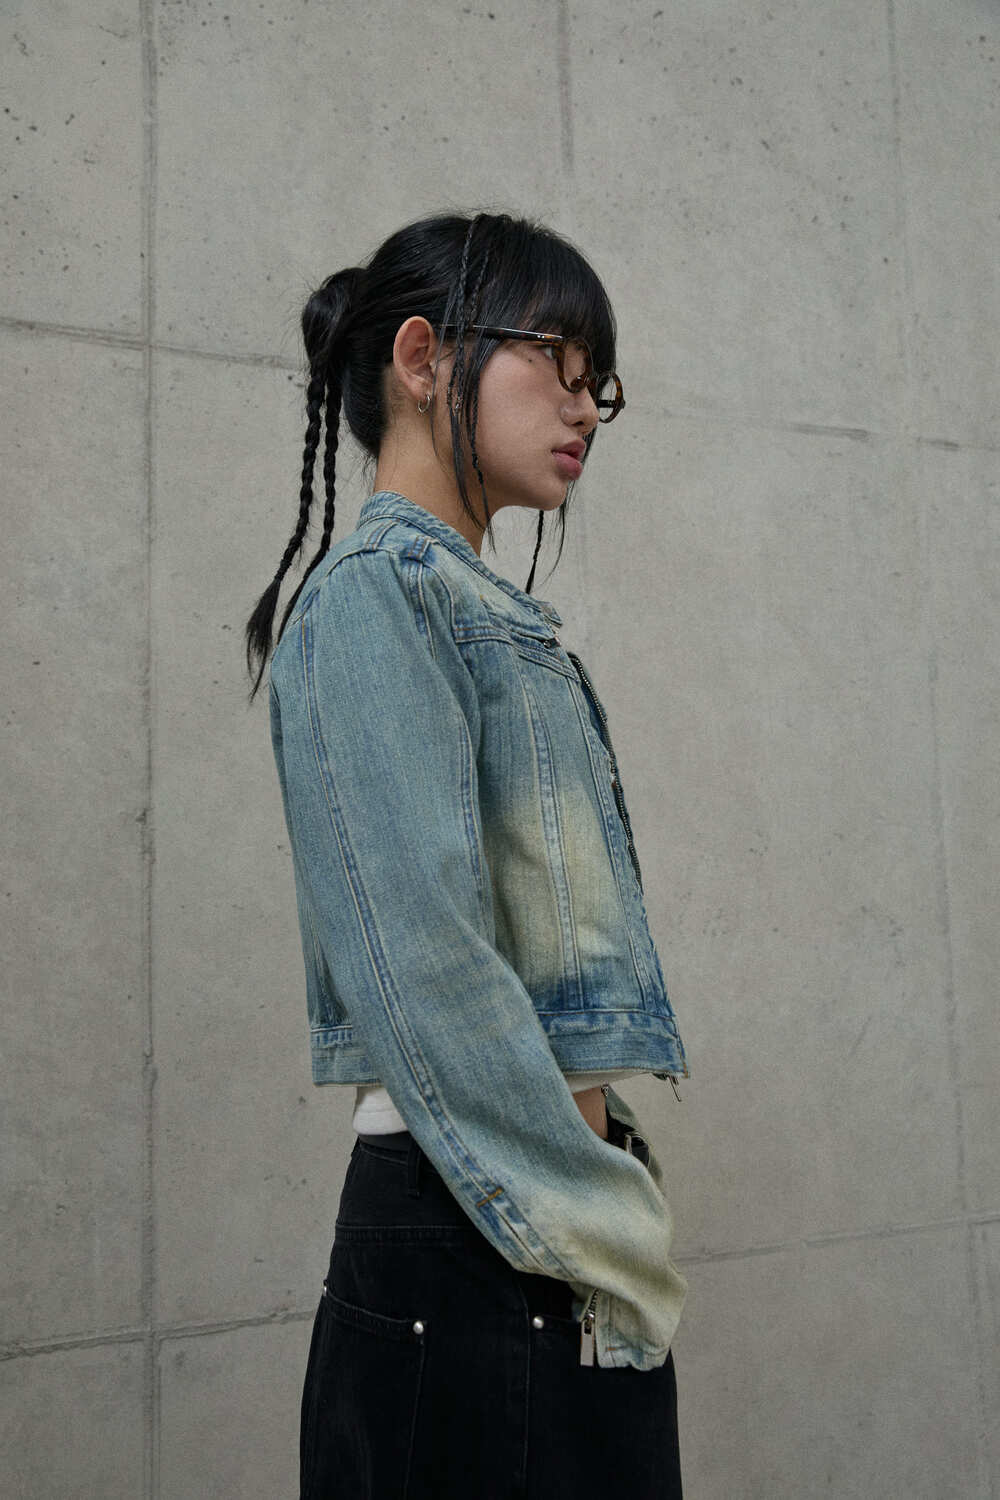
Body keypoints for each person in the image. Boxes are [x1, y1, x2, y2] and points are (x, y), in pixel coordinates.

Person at [245, 210, 690, 1499]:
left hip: (523, 1228)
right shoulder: (376, 595)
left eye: (599, 381)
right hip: (476, 1234)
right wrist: (606, 1222)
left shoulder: (480, 607)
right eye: (557, 359)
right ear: (423, 357)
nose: (585, 405)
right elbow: (423, 967)